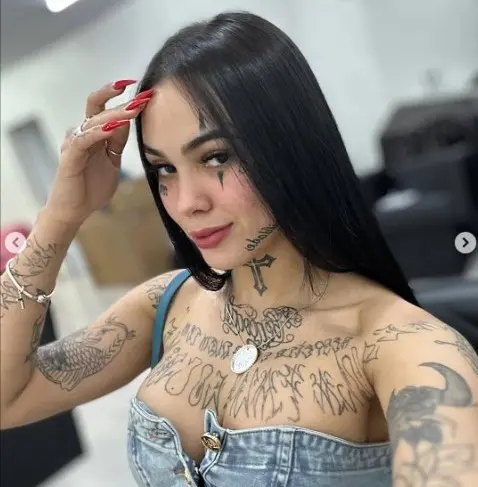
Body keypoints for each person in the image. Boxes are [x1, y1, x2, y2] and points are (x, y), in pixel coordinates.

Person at [1, 11, 477, 487]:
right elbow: (8, 399)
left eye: (216, 157)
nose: (186, 203)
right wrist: (62, 214)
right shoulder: (166, 305)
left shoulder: (401, 346)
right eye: (164, 169)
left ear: (289, 146)